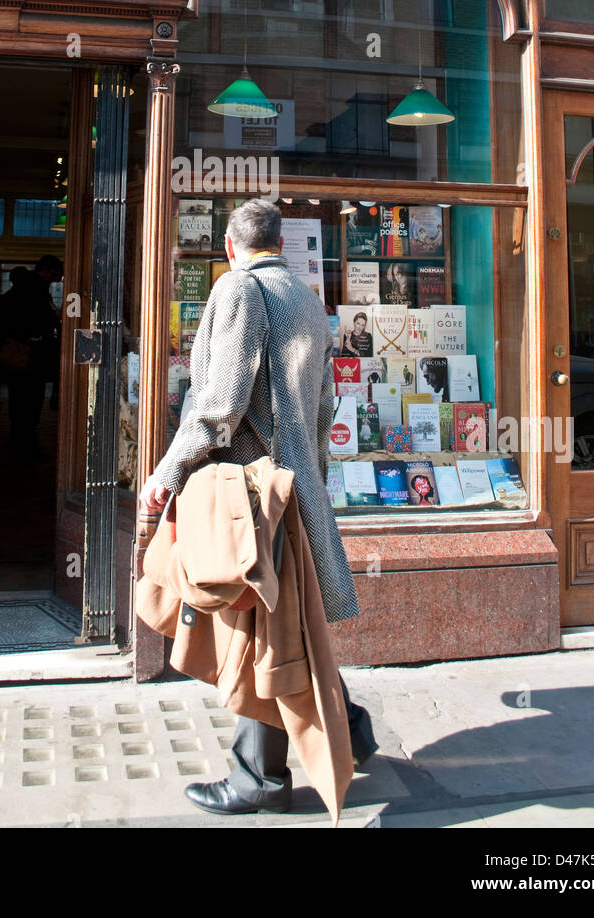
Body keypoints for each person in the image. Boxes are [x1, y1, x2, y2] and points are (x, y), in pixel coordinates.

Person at [140, 199, 376, 816]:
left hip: (251, 496)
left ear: (229, 245)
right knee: (287, 620)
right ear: (280, 243)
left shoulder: (238, 292)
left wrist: (165, 473)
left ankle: (258, 781)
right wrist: (312, 486)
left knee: (262, 630)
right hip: (294, 489)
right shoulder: (306, 299)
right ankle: (351, 729)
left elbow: (218, 406)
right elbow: (325, 408)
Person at [0, 255, 62, 460]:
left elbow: (1, 325)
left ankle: (17, 444)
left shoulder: (13, 293)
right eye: (56, 274)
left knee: (17, 401)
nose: (56, 279)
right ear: (47, 271)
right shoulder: (39, 292)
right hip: (34, 356)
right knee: (31, 403)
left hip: (15, 355)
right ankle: (26, 447)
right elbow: (46, 320)